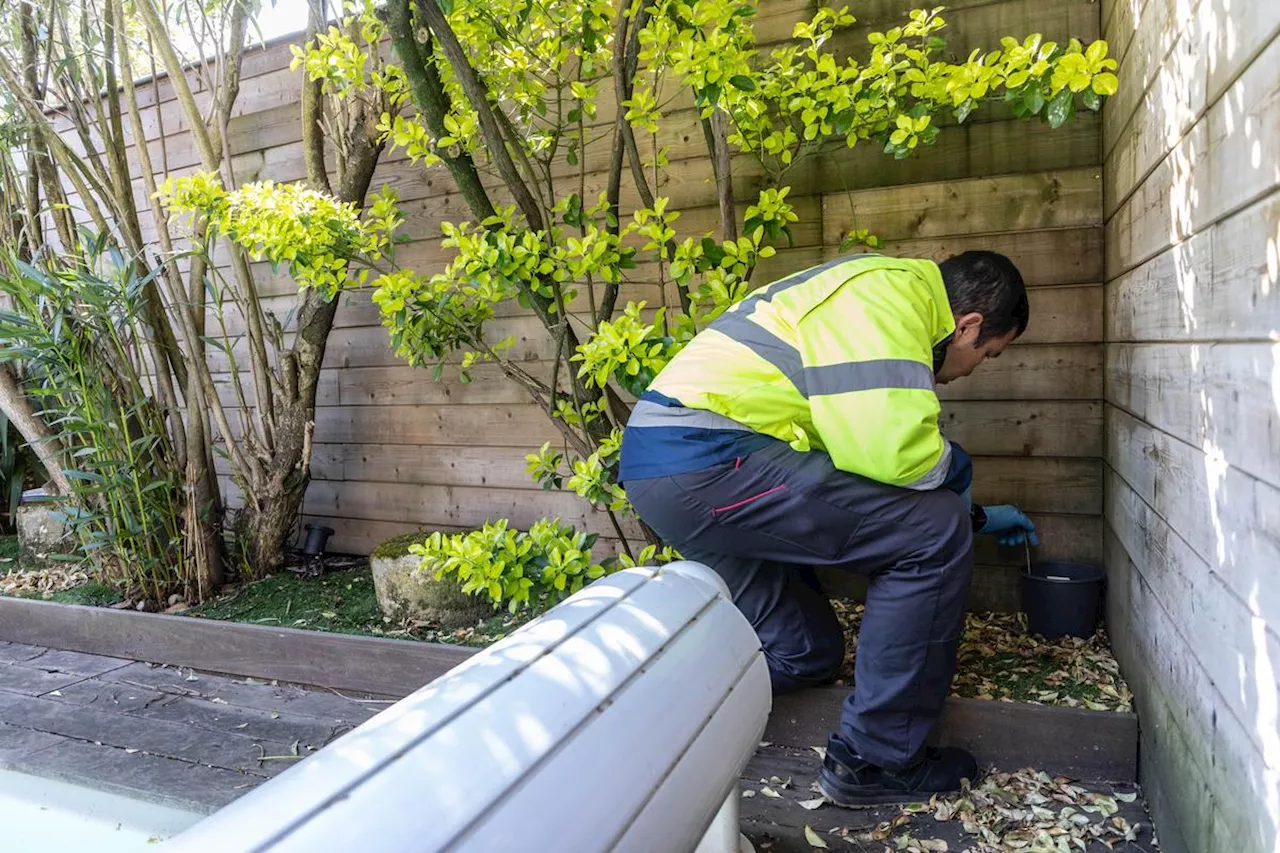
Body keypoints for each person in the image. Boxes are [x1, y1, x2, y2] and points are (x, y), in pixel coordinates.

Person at [618, 250, 1039, 806]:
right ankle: (876, 761)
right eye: (987, 355)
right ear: (969, 326)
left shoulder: (871, 292)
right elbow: (897, 458)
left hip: (665, 471)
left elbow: (856, 476)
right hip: (708, 459)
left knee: (804, 651)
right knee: (934, 534)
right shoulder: (891, 300)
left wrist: (976, 514)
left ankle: (637, 706)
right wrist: (960, 473)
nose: (970, 372)